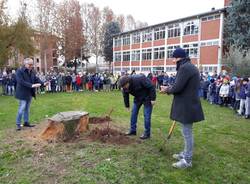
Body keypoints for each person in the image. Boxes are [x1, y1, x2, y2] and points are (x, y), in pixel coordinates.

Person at [161, 48, 204, 169]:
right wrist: (170, 87)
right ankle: (185, 154)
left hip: (187, 106)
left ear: (178, 57)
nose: (172, 61)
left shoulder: (185, 68)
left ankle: (187, 160)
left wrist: (166, 90)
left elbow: (177, 88)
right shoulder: (189, 66)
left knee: (187, 133)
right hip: (188, 104)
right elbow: (181, 85)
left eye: (173, 58)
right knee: (186, 132)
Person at [119, 74, 156, 139]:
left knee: (146, 116)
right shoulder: (124, 87)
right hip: (138, 98)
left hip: (147, 97)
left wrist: (153, 99)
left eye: (125, 86)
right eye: (123, 87)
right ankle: (133, 130)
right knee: (133, 113)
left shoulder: (140, 78)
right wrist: (127, 106)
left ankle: (147, 134)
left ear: (128, 82)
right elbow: (125, 96)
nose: (124, 87)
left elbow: (151, 86)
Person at [15, 58, 47, 131]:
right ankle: (18, 124)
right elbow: (21, 81)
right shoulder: (19, 71)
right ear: (25, 64)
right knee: (21, 108)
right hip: (22, 93)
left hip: (29, 93)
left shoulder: (32, 71)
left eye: (32, 64)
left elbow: (36, 79)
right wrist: (31, 85)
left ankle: (26, 122)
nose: (31, 66)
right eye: (29, 64)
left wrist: (43, 84)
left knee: (27, 109)